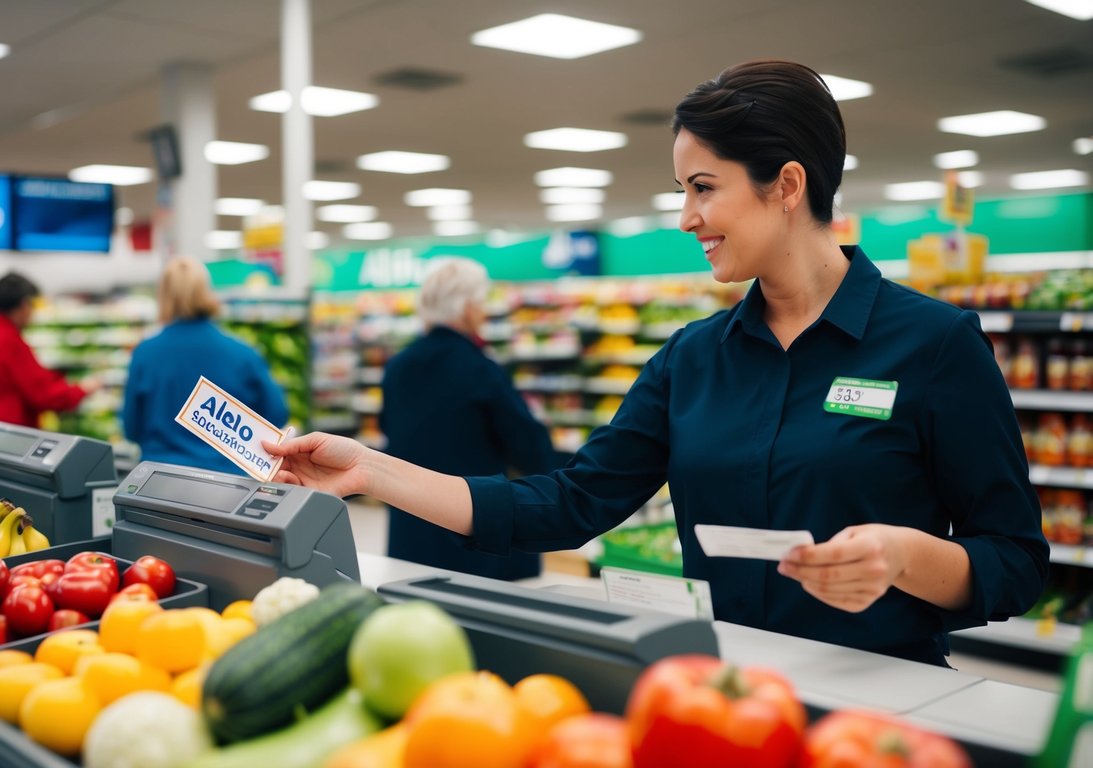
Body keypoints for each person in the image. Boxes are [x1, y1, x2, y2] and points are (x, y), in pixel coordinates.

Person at [266, 60, 1050, 666]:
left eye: (702, 188)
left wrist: (907, 558)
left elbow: (1013, 559)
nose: (685, 218)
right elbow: (565, 504)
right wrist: (371, 471)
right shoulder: (692, 359)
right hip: (718, 688)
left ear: (785, 185)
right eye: (681, 190)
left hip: (881, 703)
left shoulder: (934, 342)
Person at [381, 258, 559, 580]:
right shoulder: (479, 368)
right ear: (466, 309)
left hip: (410, 521)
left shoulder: (398, 365)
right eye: (481, 303)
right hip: (468, 524)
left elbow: (387, 428)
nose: (484, 312)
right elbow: (527, 445)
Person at [122, 257, 289, 474]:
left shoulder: (145, 353)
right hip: (228, 481)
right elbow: (276, 414)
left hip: (159, 480)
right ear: (206, 292)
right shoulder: (242, 353)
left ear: (163, 296)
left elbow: (131, 428)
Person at [0, 271, 97, 428]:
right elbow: (44, 395)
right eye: (33, 306)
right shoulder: (9, 343)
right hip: (10, 439)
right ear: (24, 305)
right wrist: (82, 390)